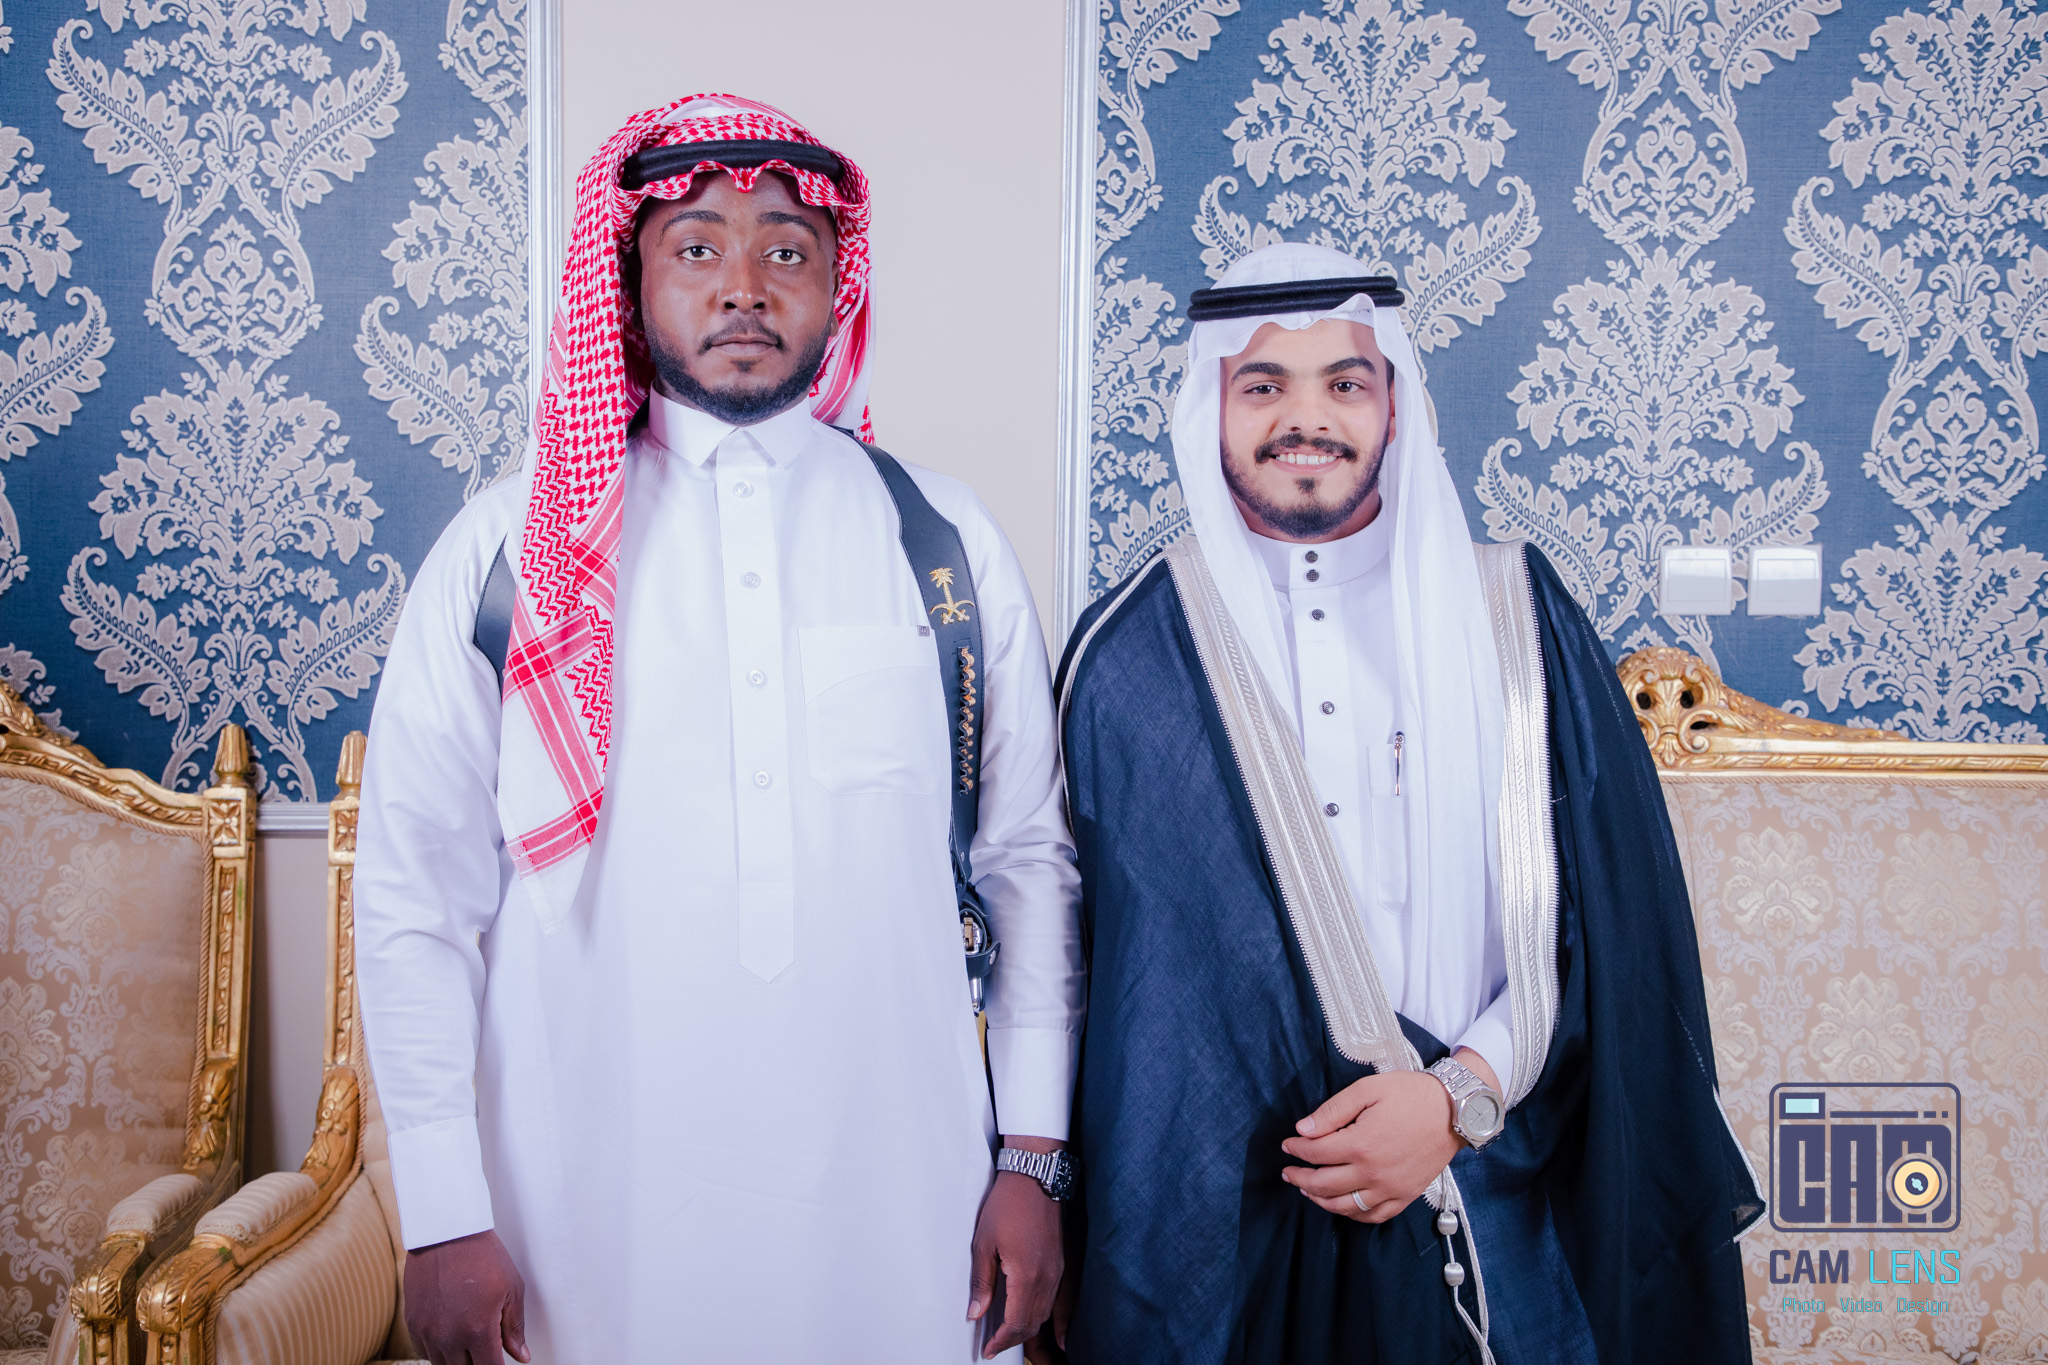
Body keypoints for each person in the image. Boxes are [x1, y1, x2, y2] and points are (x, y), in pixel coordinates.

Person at [354, 94, 1083, 1365]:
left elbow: (1024, 866)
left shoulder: (944, 546)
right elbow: (416, 898)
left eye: (784, 250)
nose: (743, 285)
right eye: (695, 247)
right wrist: (443, 1212)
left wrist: (1030, 1157)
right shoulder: (506, 557)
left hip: (901, 1200)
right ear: (629, 281)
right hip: (581, 1207)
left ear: (836, 284)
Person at [1051, 243, 1761, 1365]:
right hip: (1234, 1223)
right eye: (1262, 384)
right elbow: (1114, 986)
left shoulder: (1515, 615)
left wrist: (1455, 1098)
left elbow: (1611, 929)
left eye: (1344, 381)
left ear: (1394, 401)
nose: (1305, 417)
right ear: (1209, 407)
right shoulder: (1128, 654)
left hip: (1495, 1172)